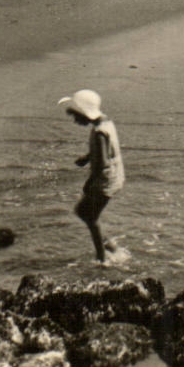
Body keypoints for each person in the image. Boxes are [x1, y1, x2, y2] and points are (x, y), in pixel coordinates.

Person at [60, 89, 125, 264]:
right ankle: (109, 247)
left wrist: (89, 183)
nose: (75, 120)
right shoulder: (106, 123)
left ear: (85, 114)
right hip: (114, 176)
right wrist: (88, 157)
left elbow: (103, 163)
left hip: (105, 180)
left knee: (88, 215)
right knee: (85, 213)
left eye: (76, 116)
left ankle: (102, 257)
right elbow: (106, 150)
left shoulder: (98, 133)